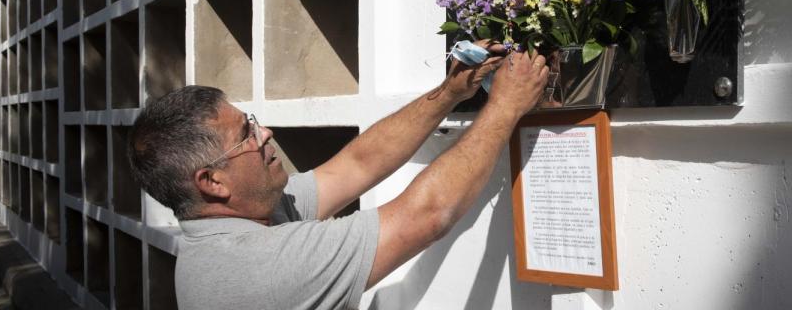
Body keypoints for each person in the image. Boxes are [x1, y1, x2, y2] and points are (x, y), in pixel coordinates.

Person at [127, 45, 549, 310]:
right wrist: (506, 107)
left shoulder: (246, 215)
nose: (266, 133)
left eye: (252, 121)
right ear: (212, 182)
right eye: (246, 135)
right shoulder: (258, 266)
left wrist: (451, 92)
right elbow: (428, 214)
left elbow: (357, 165)